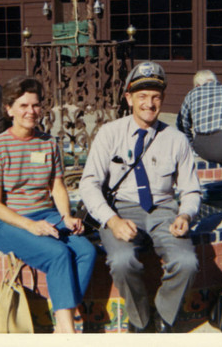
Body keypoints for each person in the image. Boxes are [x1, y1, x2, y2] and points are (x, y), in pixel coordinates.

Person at [79, 61, 201, 333]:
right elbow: (89, 184)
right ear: (129, 98)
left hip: (164, 211)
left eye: (156, 97)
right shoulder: (110, 133)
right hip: (121, 211)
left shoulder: (177, 139)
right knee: (122, 262)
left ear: (163, 99)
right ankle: (140, 321)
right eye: (142, 96)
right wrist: (111, 221)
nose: (149, 103)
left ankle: (164, 318)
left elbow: (191, 189)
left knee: (187, 263)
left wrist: (185, 214)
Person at [0, 76, 97, 333]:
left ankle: (65, 314)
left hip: (45, 213)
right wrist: (30, 226)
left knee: (87, 251)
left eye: (35, 105)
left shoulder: (48, 143)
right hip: (5, 221)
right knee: (58, 255)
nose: (30, 112)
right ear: (9, 109)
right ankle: (67, 328)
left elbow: (57, 187)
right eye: (23, 106)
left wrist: (65, 216)